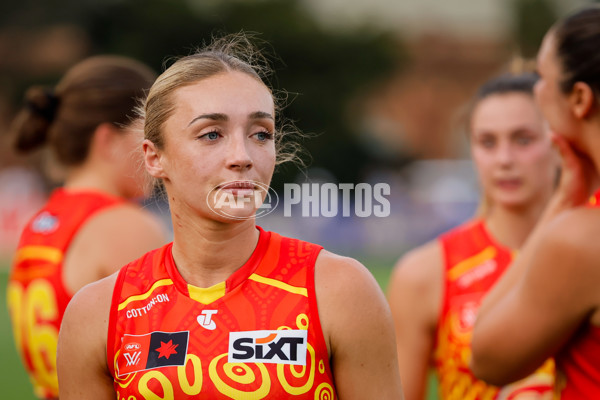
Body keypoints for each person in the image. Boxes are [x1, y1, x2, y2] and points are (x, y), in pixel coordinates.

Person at [56, 34, 403, 400]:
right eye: (211, 134)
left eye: (260, 134)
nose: (242, 155)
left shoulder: (338, 290)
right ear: (154, 157)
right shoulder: (99, 312)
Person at [388, 70, 559, 400]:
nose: (504, 160)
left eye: (523, 139)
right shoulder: (425, 273)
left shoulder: (588, 254)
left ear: (557, 141)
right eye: (487, 142)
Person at [6, 55, 168, 400]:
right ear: (108, 140)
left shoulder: (41, 222)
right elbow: (170, 370)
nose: (162, 147)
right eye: (152, 131)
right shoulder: (123, 225)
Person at [470, 5, 600, 399]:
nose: (536, 91)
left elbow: (488, 358)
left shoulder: (582, 238)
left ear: (579, 98)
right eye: (487, 142)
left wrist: (562, 205)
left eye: (542, 78)